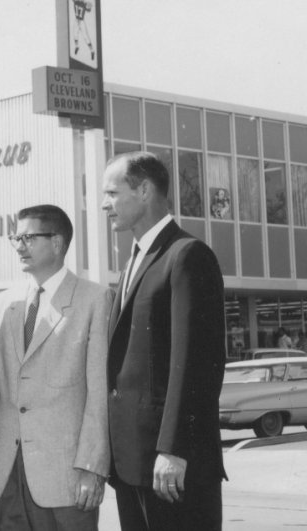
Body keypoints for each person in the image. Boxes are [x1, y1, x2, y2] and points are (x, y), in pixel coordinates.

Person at [101, 151, 227, 531]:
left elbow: (198, 364)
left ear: (143, 190)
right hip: (134, 465)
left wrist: (174, 449)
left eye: (111, 192)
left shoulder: (186, 255)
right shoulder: (135, 261)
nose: (104, 204)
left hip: (170, 466)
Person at [0, 204, 113, 531]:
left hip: (66, 477)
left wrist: (92, 467)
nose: (18, 246)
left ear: (57, 242)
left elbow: (99, 395)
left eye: (28, 237)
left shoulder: (94, 300)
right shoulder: (1, 304)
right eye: (16, 237)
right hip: (5, 475)